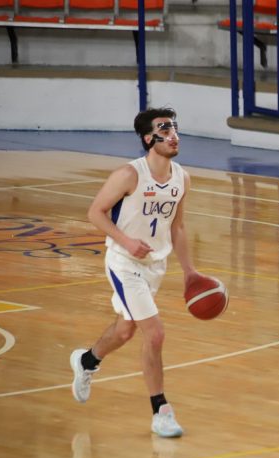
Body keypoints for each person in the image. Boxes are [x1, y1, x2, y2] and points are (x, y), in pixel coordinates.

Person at [70, 107, 200, 438]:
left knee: (126, 331)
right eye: (164, 130)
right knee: (154, 334)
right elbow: (95, 213)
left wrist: (190, 272)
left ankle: (87, 362)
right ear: (147, 138)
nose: (173, 135)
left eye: (174, 128)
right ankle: (161, 411)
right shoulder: (129, 175)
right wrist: (126, 242)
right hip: (124, 262)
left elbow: (177, 227)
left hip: (155, 265)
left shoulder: (181, 178)